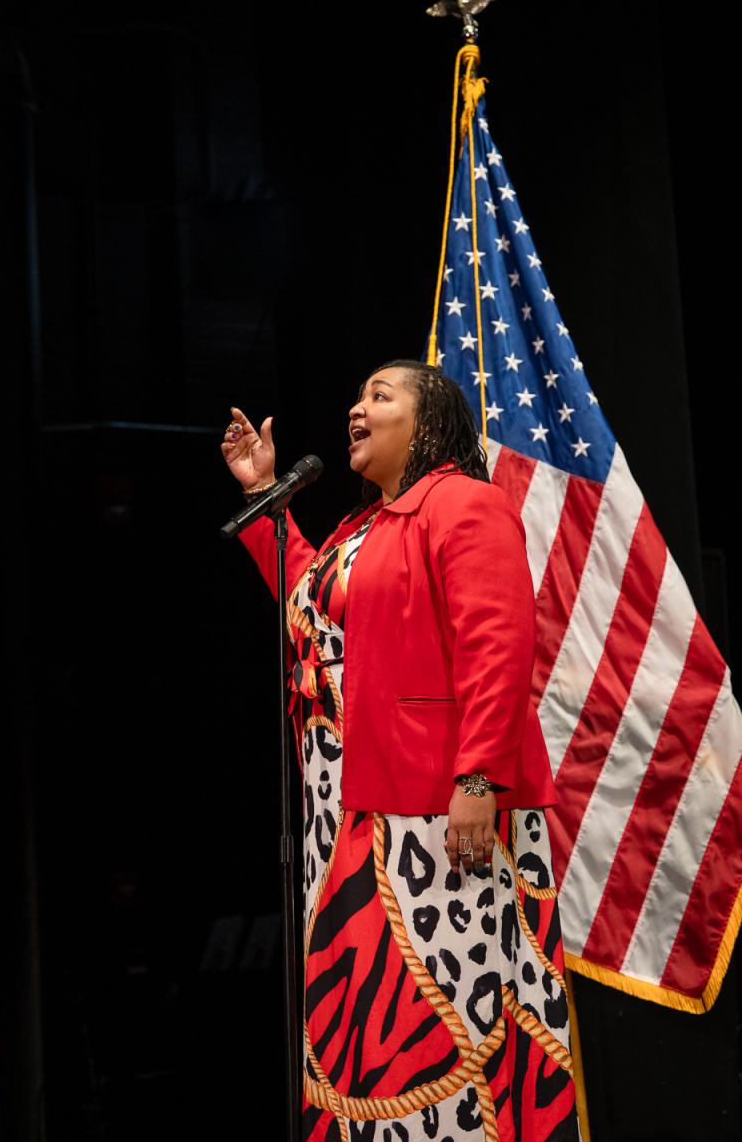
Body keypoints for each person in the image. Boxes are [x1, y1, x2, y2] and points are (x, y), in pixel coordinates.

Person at [221, 359, 580, 1142]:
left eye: (380, 397)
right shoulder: (364, 528)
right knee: (357, 1024)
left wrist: (477, 779)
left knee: (439, 1017)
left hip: (432, 809)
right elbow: (310, 601)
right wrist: (263, 495)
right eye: (357, 396)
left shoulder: (464, 505)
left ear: (429, 425)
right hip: (344, 809)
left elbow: (498, 646)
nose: (357, 408)